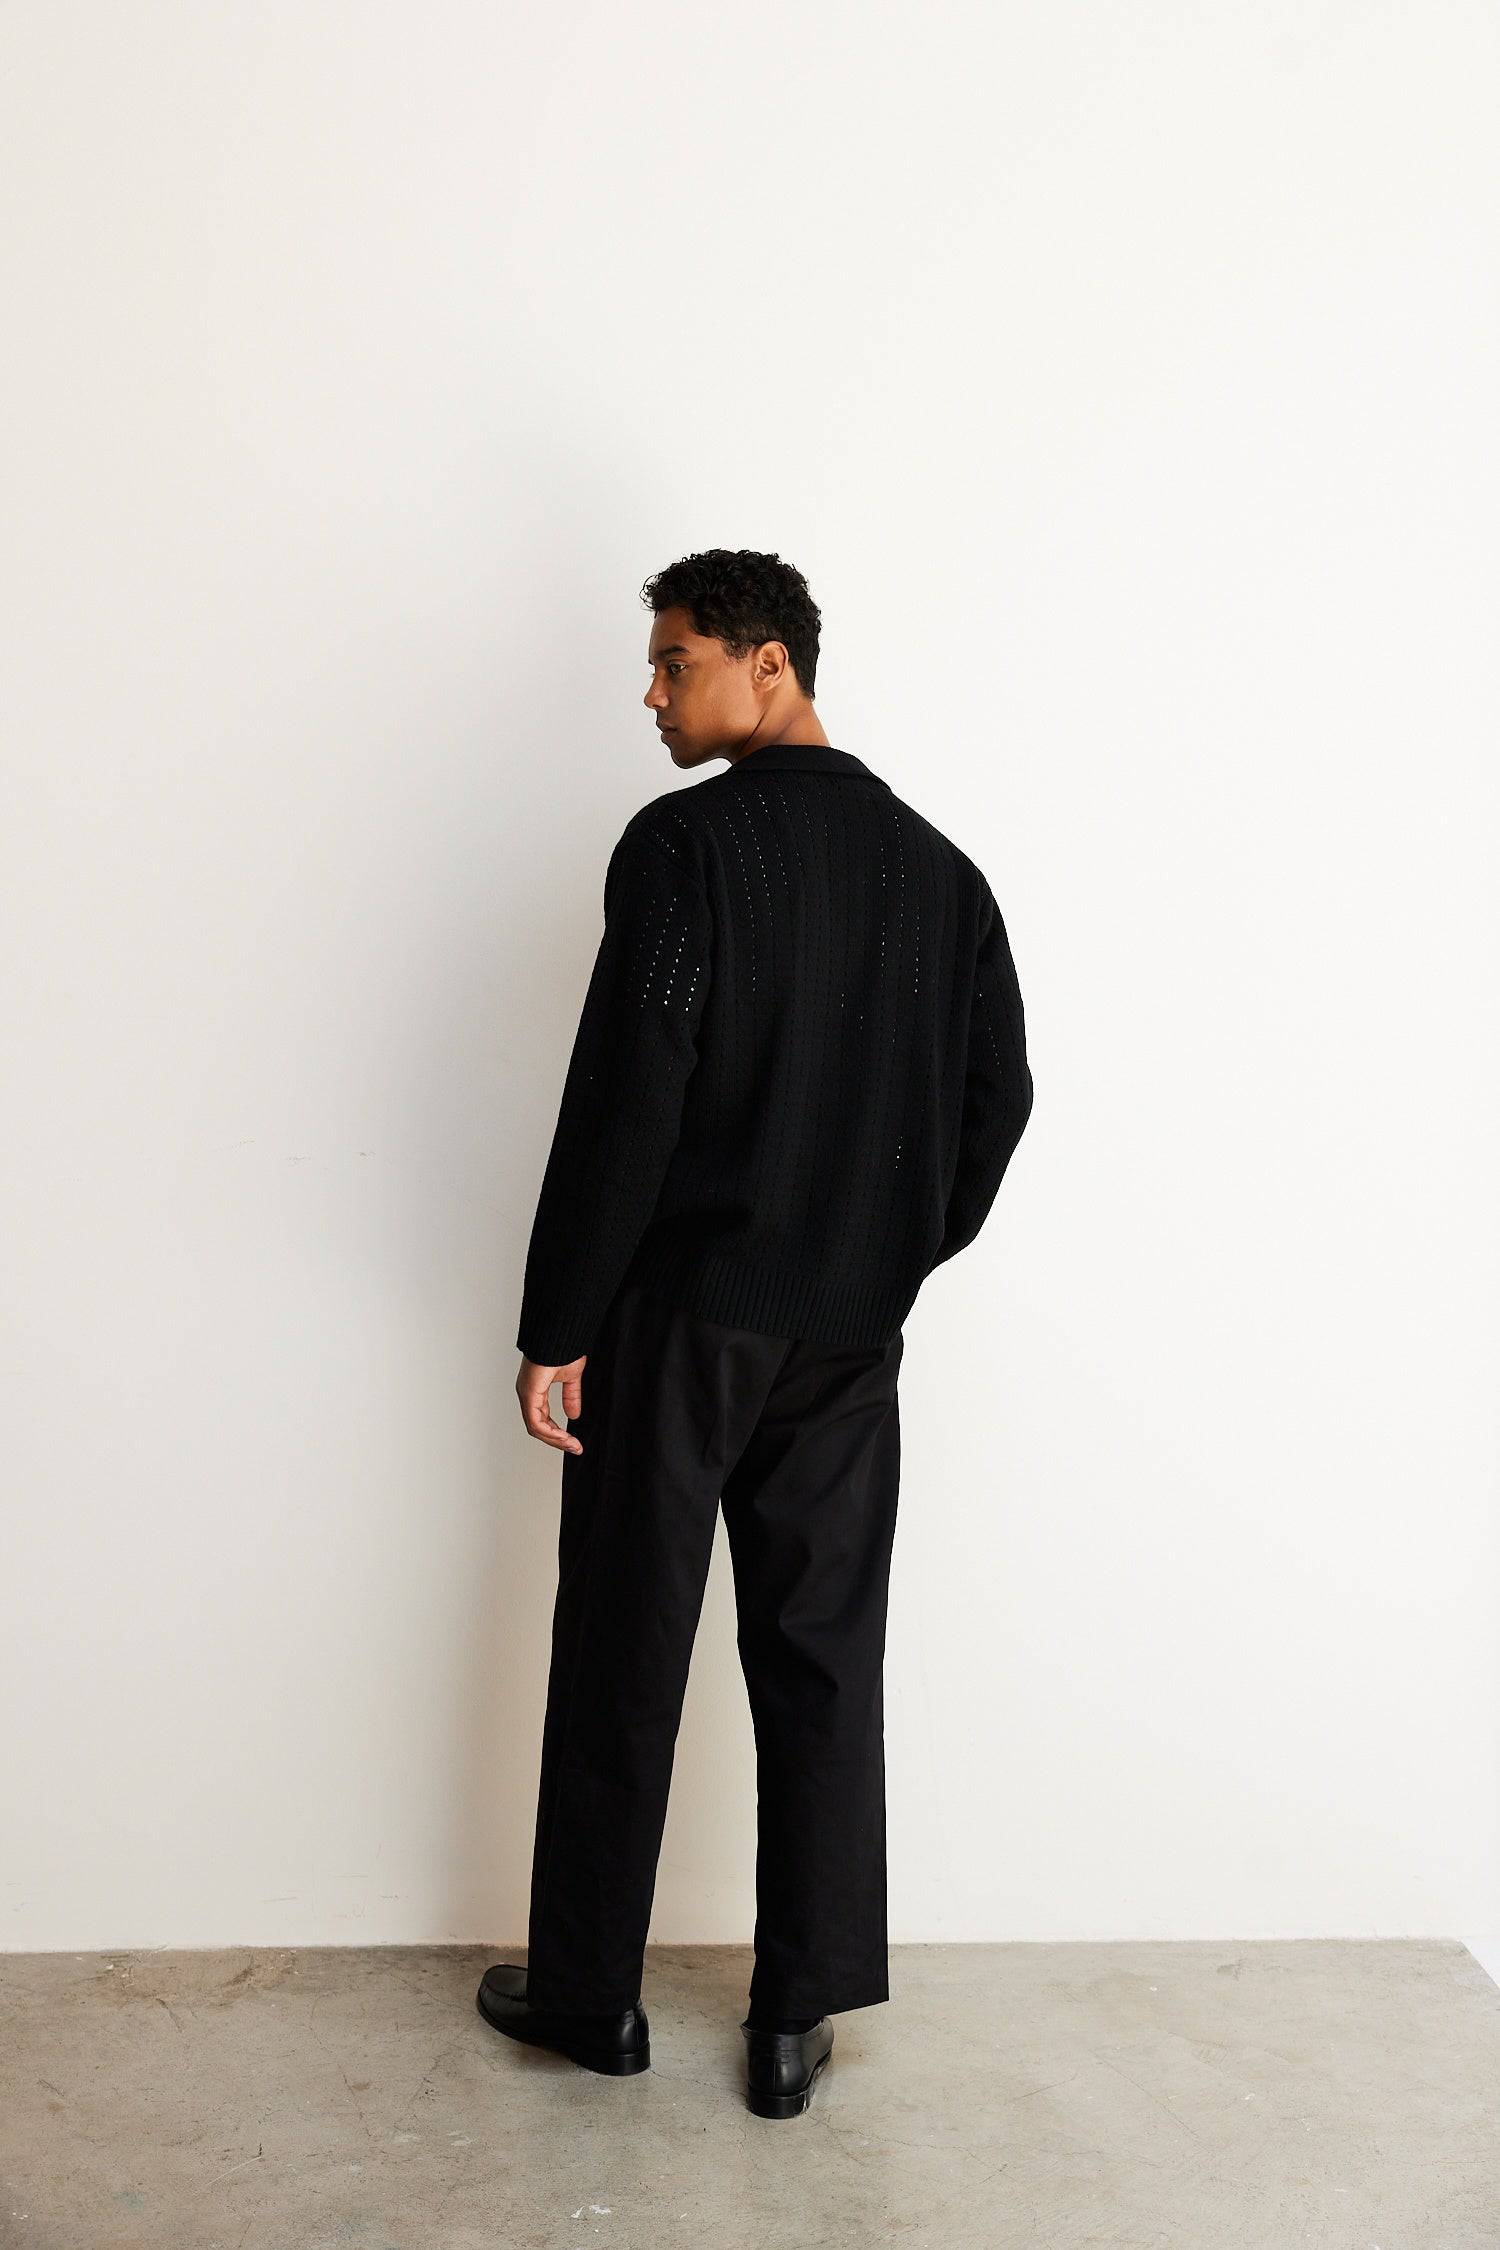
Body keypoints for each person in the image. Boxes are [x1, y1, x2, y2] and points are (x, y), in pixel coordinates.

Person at [476, 547, 1034, 2119]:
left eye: (676, 661)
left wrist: (558, 1322)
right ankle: (796, 2015)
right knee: (823, 1655)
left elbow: (631, 1096)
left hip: (685, 1320)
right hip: (847, 1337)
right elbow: (999, 1097)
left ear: (768, 662)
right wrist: (890, 1251)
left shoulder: (688, 847)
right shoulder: (940, 875)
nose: (652, 694)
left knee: (624, 1641)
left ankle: (592, 1995)